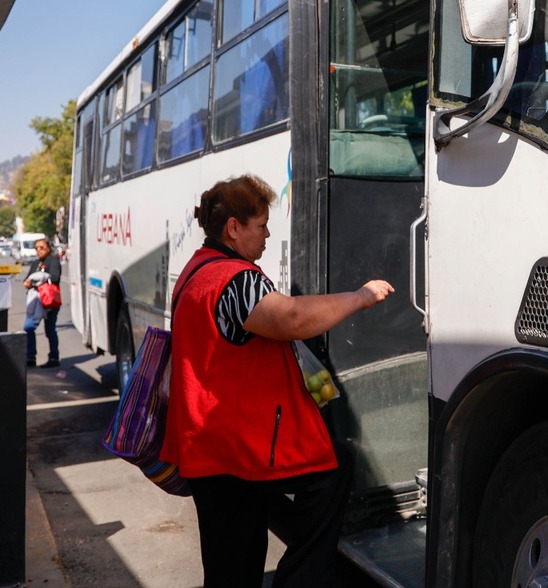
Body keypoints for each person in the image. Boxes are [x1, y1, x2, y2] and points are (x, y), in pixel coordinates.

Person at [161, 174, 393, 587]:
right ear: (234, 228)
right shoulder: (236, 278)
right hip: (233, 448)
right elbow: (291, 319)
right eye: (261, 224)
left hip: (206, 444)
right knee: (332, 469)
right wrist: (361, 296)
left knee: (230, 562)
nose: (268, 234)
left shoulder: (195, 271)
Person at [23, 237, 61, 368]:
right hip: (36, 302)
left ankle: (54, 357)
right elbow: (27, 279)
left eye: (42, 247)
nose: (38, 250)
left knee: (50, 330)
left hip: (49, 301)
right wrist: (28, 283)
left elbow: (55, 278)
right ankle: (30, 357)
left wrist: (37, 280)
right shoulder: (35, 263)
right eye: (36, 248)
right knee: (28, 328)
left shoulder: (53, 261)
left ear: (49, 248)